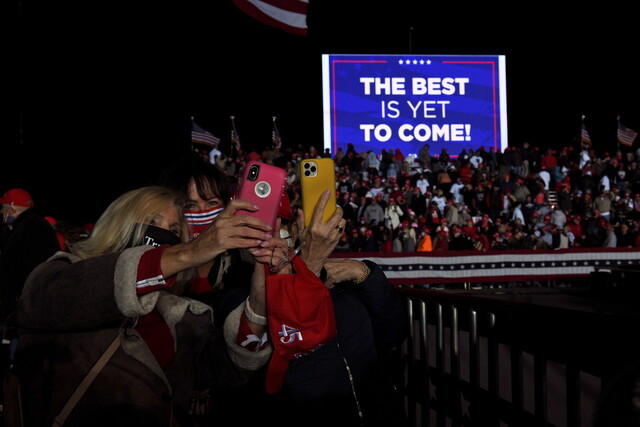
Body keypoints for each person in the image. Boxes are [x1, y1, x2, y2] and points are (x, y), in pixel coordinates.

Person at [9, 186, 280, 426]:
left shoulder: (182, 316)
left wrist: (260, 295)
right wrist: (191, 251)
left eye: (175, 231)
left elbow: (226, 371)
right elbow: (89, 288)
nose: (164, 234)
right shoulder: (56, 278)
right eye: (153, 222)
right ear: (119, 224)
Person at [265, 191, 409, 427]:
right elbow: (285, 353)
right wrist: (309, 273)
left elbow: (395, 331)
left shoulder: (347, 280)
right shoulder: (268, 287)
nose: (316, 231)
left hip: (379, 411)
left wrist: (362, 272)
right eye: (305, 223)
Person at [0, 188, 60, 323]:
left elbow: (31, 269)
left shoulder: (32, 227)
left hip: (31, 307)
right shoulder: (24, 226)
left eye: (3, 208)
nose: (1, 212)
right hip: (28, 305)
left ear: (12, 209)